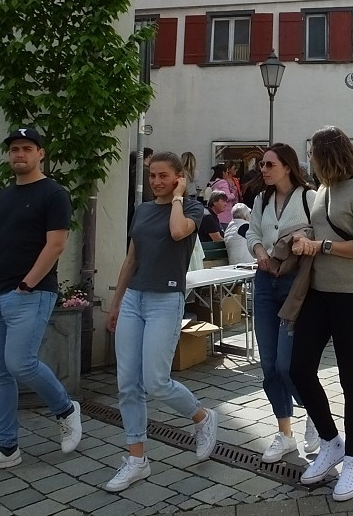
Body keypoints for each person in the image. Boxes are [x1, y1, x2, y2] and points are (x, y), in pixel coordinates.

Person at [0, 127, 83, 475]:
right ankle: (6, 447)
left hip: (31, 293)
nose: (19, 154)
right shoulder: (2, 197)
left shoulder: (54, 194)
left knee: (20, 363)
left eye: (26, 148)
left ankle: (65, 409)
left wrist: (27, 284)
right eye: (14, 149)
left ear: (41, 154)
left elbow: (56, 244)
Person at [104, 151, 218, 491]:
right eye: (152, 175)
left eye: (164, 176)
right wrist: (116, 302)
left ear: (179, 177)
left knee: (155, 381)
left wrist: (180, 198)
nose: (156, 181)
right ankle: (137, 458)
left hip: (165, 300)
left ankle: (202, 417)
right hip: (134, 299)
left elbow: (178, 231)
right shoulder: (142, 210)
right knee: (127, 383)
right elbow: (131, 259)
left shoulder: (192, 209)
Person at [288, 126, 353, 501]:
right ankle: (331, 441)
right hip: (318, 292)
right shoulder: (322, 189)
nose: (308, 158)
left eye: (312, 152)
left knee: (349, 376)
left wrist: (321, 244)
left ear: (327, 154)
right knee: (298, 369)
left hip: (352, 295)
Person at [246, 144, 319, 463]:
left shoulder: (309, 197)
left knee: (287, 366)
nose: (263, 169)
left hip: (294, 283)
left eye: (269, 164)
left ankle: (316, 413)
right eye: (262, 164)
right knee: (268, 365)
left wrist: (305, 244)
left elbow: (319, 236)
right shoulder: (261, 199)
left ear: (287, 167)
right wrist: (260, 252)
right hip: (264, 281)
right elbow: (251, 233)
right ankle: (285, 433)